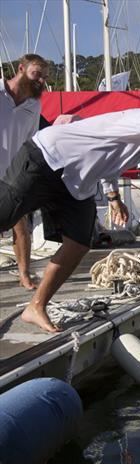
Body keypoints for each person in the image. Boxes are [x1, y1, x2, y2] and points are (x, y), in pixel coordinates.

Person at [0, 103, 140, 332]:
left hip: (76, 182)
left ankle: (36, 306)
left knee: (78, 242)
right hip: (48, 157)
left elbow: (110, 162)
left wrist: (114, 197)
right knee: (4, 218)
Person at [1, 54, 49, 290]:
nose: (41, 80)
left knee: (21, 228)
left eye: (44, 77)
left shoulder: (34, 105)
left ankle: (24, 275)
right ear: (21, 69)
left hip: (15, 175)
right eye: (36, 74)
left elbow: (31, 141)